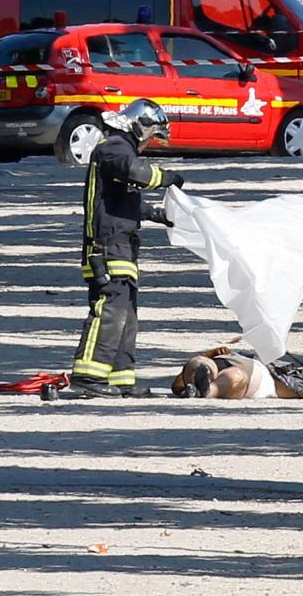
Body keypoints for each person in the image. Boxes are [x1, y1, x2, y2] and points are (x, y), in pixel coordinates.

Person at [71, 99, 186, 398]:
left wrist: (154, 214)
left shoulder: (120, 149)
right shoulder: (114, 147)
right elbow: (136, 172)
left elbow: (120, 203)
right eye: (151, 138)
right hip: (106, 247)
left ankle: (121, 378)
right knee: (110, 311)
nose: (149, 145)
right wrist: (166, 178)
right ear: (141, 128)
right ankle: (88, 376)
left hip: (121, 245)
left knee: (126, 316)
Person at [172, 347, 303, 399]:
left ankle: (206, 390)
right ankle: (201, 382)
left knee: (235, 377)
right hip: (223, 362)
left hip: (253, 379)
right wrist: (209, 354)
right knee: (200, 362)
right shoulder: (291, 382)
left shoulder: (294, 385)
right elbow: (176, 386)